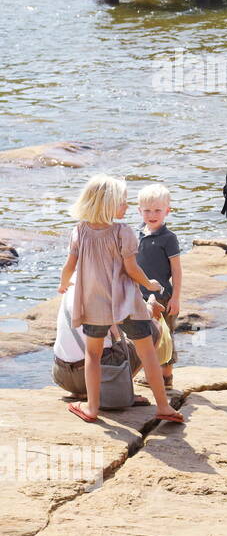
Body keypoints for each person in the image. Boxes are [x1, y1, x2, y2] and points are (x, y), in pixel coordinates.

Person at [57, 175, 181, 424]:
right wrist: (149, 284)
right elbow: (132, 269)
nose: (126, 206)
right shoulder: (123, 232)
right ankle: (164, 406)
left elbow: (69, 265)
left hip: (95, 306)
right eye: (122, 202)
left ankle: (92, 408)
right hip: (127, 305)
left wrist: (63, 285)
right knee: (147, 354)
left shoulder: (80, 231)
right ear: (108, 205)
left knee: (93, 354)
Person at [52, 277, 161, 397]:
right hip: (93, 375)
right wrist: (151, 305)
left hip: (62, 375)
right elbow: (136, 322)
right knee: (153, 327)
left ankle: (84, 393)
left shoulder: (72, 279)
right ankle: (118, 389)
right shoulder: (109, 283)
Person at [135, 183, 182, 388]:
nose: (152, 214)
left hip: (162, 296)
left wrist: (176, 297)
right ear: (139, 211)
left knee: (164, 336)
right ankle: (150, 374)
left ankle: (166, 377)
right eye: (147, 210)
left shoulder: (168, 238)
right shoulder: (138, 234)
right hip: (140, 295)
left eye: (157, 210)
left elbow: (177, 270)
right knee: (145, 335)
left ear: (167, 211)